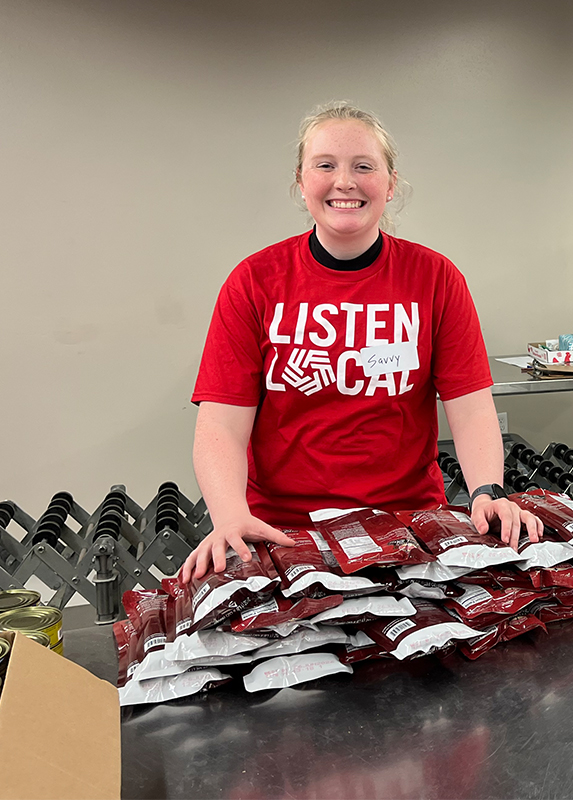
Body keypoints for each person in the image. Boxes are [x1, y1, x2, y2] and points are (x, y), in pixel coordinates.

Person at [180, 102, 541, 582]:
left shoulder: (435, 278)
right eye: (325, 165)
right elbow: (220, 423)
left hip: (409, 526)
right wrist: (228, 515)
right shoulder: (254, 281)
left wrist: (487, 492)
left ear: (390, 184)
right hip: (282, 532)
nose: (344, 182)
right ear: (302, 181)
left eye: (363, 166)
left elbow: (471, 407)